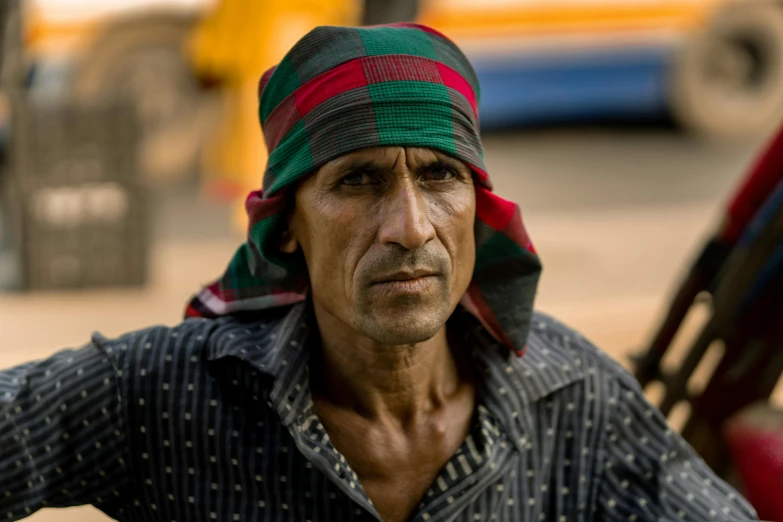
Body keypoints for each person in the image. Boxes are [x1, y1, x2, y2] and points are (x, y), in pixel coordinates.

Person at [0, 23, 758, 522]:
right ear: (286, 227)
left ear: (477, 209)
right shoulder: (167, 394)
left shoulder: (572, 397)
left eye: (437, 176)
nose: (409, 227)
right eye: (356, 181)